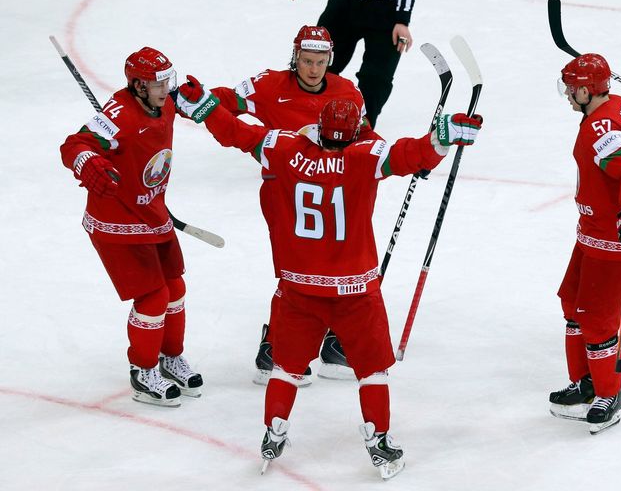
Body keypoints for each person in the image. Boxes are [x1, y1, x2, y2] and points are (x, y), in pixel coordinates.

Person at [171, 76, 482, 477]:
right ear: (353, 132)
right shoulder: (365, 156)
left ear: (318, 127)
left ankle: (273, 430)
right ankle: (379, 441)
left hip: (299, 286)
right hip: (356, 288)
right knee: (372, 371)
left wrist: (204, 108)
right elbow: (410, 154)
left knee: (286, 367)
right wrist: (444, 136)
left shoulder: (282, 148)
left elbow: (237, 132)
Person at [212, 25, 381, 385]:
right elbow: (223, 100)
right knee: (297, 271)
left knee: (342, 263)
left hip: (340, 192)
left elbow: (365, 135)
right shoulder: (269, 85)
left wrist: (395, 158)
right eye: (306, 61)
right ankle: (274, 348)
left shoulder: (347, 91)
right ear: (295, 57)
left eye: (321, 62)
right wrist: (191, 102)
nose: (313, 69)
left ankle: (336, 340)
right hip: (285, 195)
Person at [59, 47, 204, 407]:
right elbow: (73, 144)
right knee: (153, 296)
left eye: (169, 80)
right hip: (117, 220)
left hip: (153, 213)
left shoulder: (166, 102)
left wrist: (209, 101)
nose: (167, 88)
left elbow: (203, 106)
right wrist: (90, 163)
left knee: (175, 287)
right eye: (160, 82)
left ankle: (170, 357)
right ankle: (143, 372)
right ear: (138, 85)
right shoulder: (118, 114)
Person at [550, 53, 621, 434]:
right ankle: (585, 383)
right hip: (592, 233)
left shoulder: (599, 129)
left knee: (597, 318)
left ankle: (608, 393)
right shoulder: (619, 106)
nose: (566, 94)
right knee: (571, 300)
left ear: (584, 90)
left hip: (615, 241)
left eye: (570, 88)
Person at [287, 0, 423, 128]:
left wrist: (402, 20)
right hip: (345, 1)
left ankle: (360, 127)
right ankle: (305, 114)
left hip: (386, 10)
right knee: (319, 60)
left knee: (376, 77)